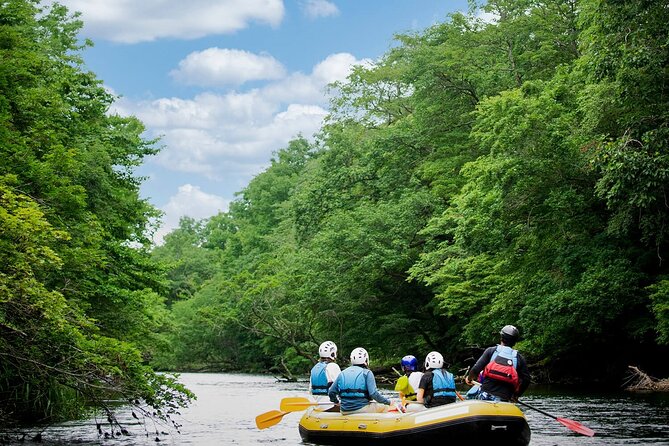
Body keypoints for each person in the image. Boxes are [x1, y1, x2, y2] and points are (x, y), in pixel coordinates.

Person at [465, 325, 531, 402]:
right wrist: (516, 395)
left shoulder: (491, 351)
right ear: (515, 341)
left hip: (486, 395)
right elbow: (526, 380)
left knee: (471, 395)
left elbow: (476, 369)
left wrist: (470, 379)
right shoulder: (519, 358)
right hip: (505, 398)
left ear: (501, 337)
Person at [328, 347, 394, 414]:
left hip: (344, 410)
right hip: (361, 409)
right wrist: (388, 402)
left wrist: (336, 402)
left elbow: (331, 392)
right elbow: (373, 394)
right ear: (366, 360)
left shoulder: (342, 373)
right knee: (384, 406)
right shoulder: (367, 373)